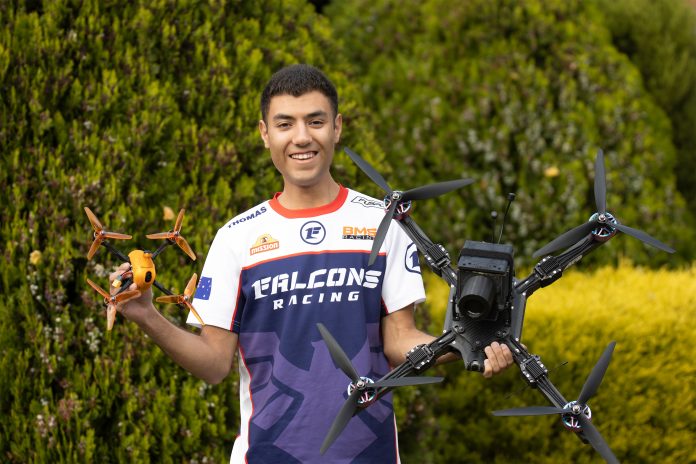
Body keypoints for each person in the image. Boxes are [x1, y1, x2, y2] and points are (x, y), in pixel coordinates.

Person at [110, 64, 514, 463]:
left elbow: (399, 342)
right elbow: (214, 364)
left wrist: (469, 344)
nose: (301, 137)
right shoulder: (236, 237)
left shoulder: (384, 225)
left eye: (315, 121)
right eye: (285, 124)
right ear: (265, 133)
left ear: (337, 127)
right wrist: (147, 315)